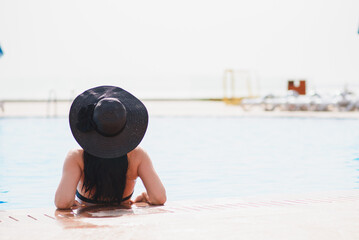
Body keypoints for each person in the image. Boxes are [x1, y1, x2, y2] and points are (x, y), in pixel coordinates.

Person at [55, 86, 166, 209]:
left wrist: (71, 201)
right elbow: (159, 197)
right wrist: (146, 196)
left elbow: (62, 202)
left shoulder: (76, 157)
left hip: (89, 222)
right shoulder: (137, 155)